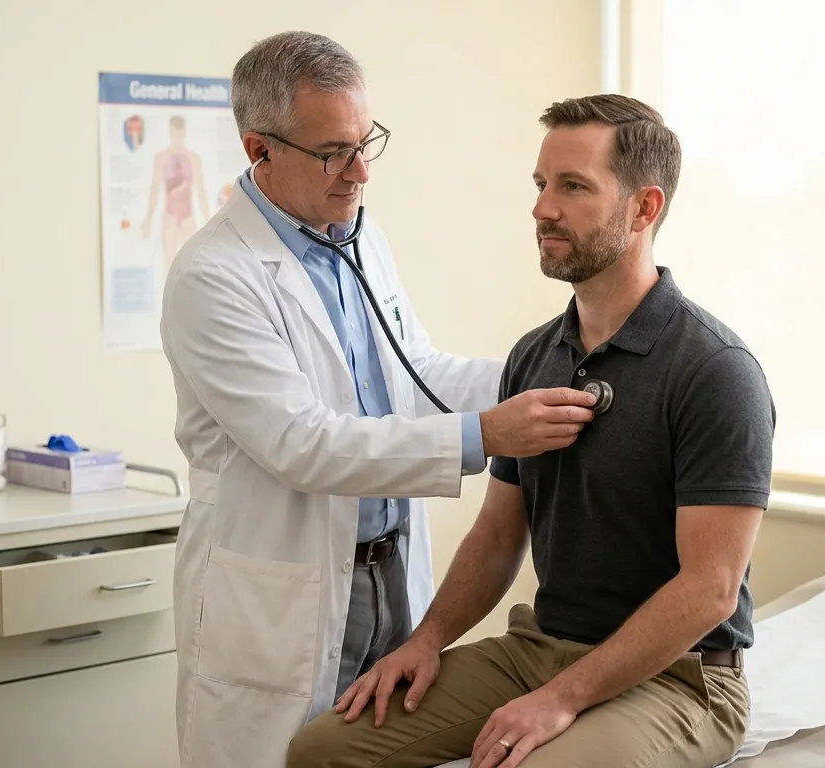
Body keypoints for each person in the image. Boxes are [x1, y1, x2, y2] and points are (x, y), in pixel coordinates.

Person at [286, 93, 776, 768]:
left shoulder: (715, 370)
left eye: (574, 187)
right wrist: (426, 640)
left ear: (644, 208)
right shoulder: (536, 356)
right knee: (323, 750)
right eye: (543, 185)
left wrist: (563, 698)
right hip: (541, 648)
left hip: (683, 678)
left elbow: (710, 589)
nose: (543, 208)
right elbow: (496, 535)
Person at [158, 31, 600, 768]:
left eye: (368, 143)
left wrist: (545, 373)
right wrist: (487, 434)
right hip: (285, 597)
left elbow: (414, 372)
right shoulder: (214, 276)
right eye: (334, 151)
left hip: (389, 575)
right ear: (258, 150)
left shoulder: (357, 240)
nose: (360, 171)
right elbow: (302, 443)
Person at [142, 115, 211, 264]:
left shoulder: (193, 158)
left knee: (192, 264)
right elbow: (155, 189)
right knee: (169, 264)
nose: (178, 137)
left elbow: (201, 191)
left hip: (187, 216)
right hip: (170, 216)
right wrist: (148, 218)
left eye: (180, 133)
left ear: (184, 133)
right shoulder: (161, 158)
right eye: (175, 133)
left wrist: (210, 220)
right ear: (170, 132)